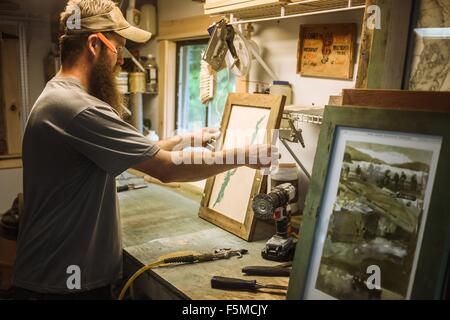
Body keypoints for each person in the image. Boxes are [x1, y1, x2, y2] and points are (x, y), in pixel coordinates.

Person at [12, 0, 278, 300]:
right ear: (94, 45)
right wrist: (244, 156)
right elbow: (167, 169)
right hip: (62, 283)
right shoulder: (79, 109)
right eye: (119, 47)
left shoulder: (60, 96)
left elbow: (137, 153)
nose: (121, 60)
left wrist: (188, 138)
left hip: (58, 273)